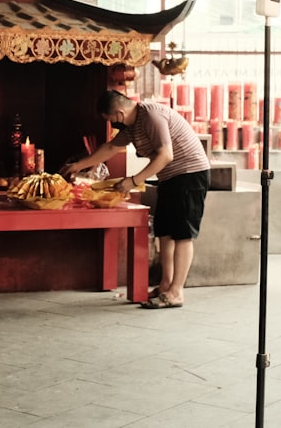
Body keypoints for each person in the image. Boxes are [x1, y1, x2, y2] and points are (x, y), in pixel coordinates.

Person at [62, 90, 210, 309]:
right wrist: (77, 166)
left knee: (182, 234)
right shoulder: (133, 125)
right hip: (169, 176)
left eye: (110, 120)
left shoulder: (151, 116)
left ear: (119, 114)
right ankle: (166, 284)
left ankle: (177, 292)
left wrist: (133, 180)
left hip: (189, 174)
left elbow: (166, 154)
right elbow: (110, 147)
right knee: (165, 231)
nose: (112, 125)